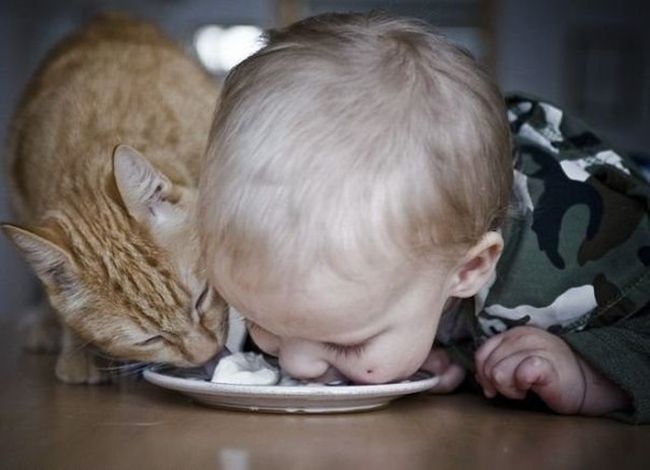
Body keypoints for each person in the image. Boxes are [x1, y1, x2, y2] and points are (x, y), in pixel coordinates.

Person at [198, 12, 650, 422]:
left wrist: (590, 372)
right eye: (259, 322)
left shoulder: (570, 267)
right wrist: (456, 353)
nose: (296, 365)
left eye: (346, 345)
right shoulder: (394, 276)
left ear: (469, 269)